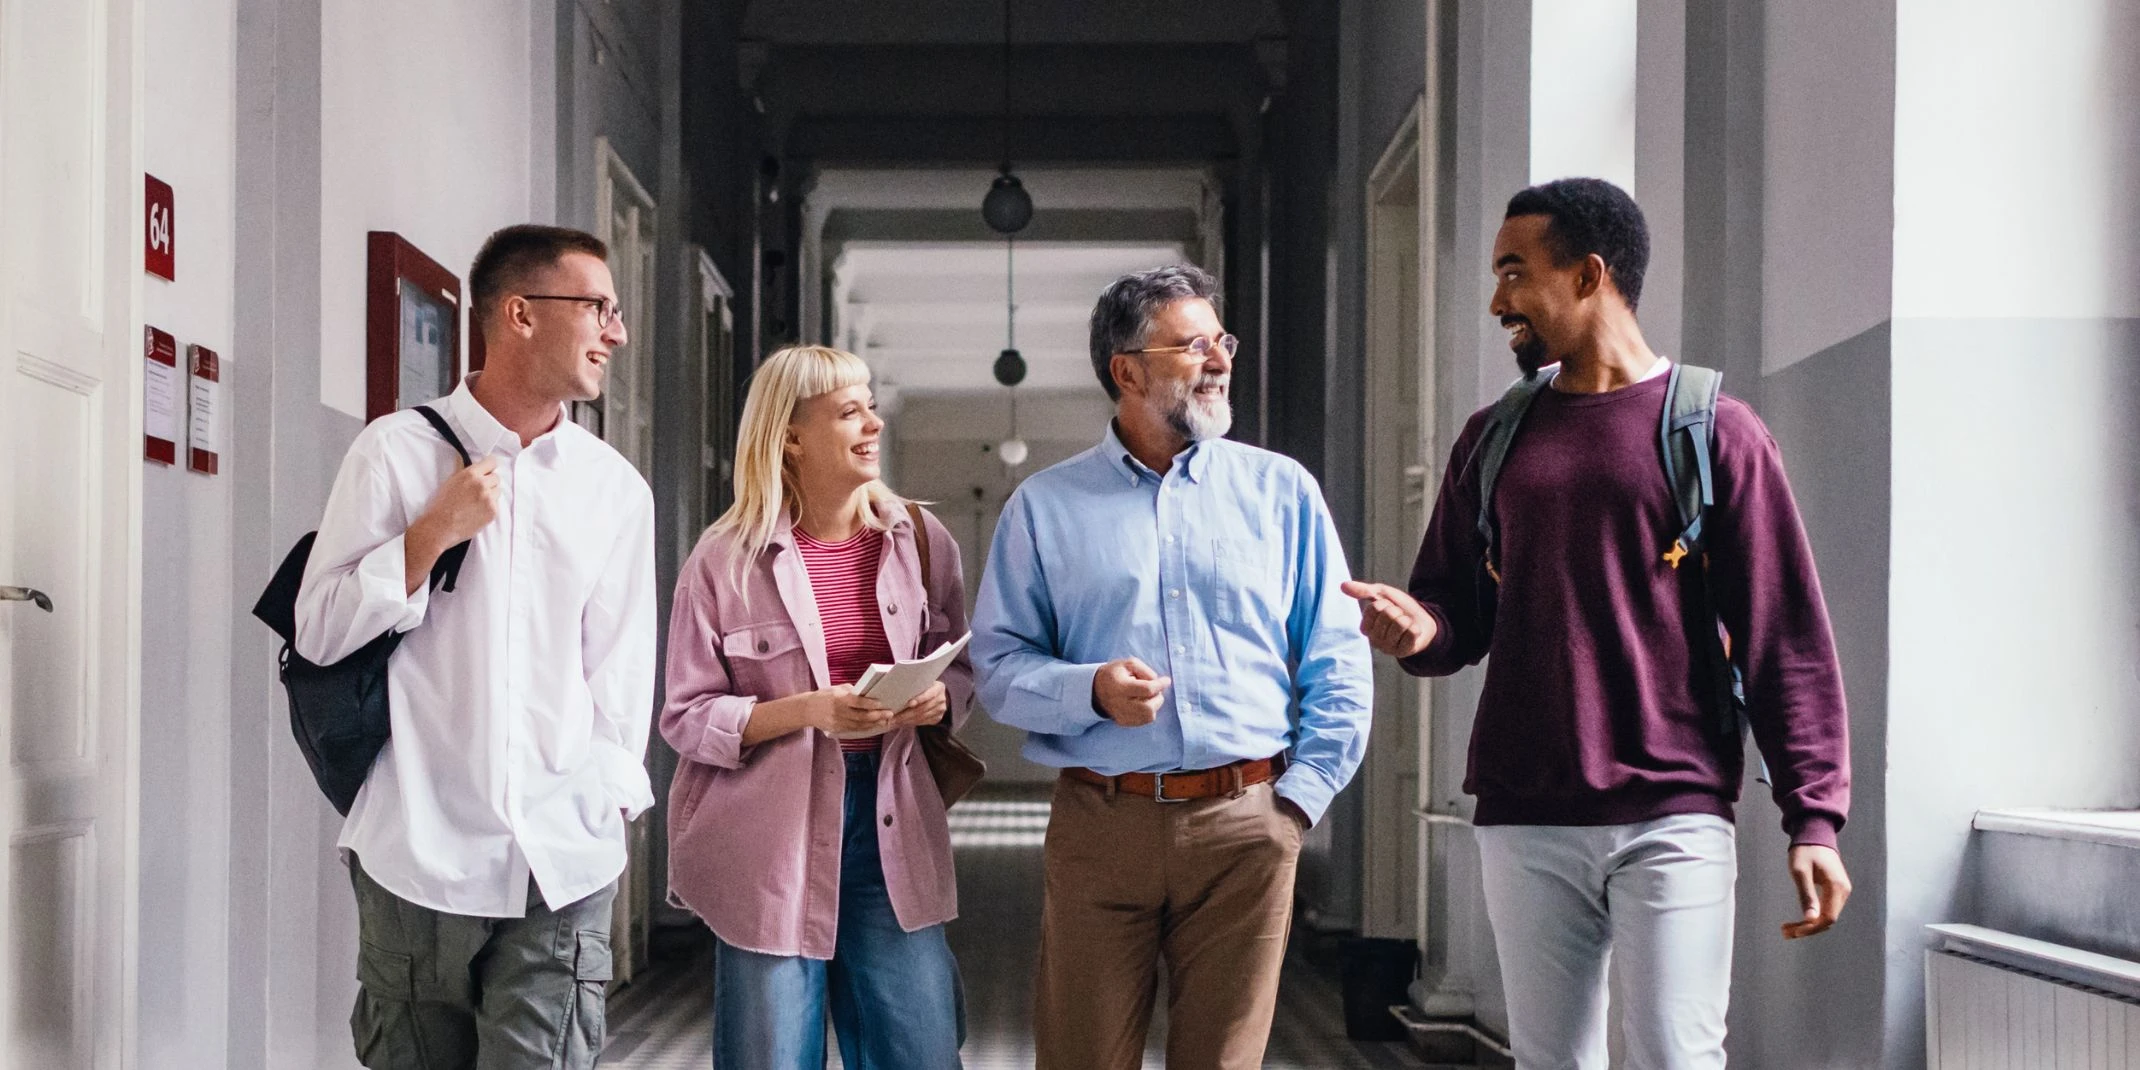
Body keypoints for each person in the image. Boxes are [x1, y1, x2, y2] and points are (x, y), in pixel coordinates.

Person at [1342, 177, 1852, 1069]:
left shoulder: (1717, 433)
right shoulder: (1491, 439)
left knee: (1675, 1056)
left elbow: (1786, 638)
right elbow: (1452, 607)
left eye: (1514, 273)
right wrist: (1418, 632)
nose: (1497, 301)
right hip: (1523, 811)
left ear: (1589, 275)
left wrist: (1815, 819)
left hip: (1674, 810)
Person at [970, 264, 1374, 1070]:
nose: (1219, 358)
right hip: (1100, 826)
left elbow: (1337, 653)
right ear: (1126, 370)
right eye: (1192, 345)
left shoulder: (1281, 492)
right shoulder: (1044, 508)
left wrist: (1297, 803)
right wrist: (1087, 690)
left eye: (1221, 340)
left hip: (1248, 825)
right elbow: (997, 665)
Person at [294, 224, 655, 1069]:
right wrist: (429, 537)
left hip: (560, 865)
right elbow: (318, 628)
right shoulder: (393, 451)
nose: (617, 330)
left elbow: (620, 676)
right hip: (416, 852)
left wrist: (605, 800)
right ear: (521, 314)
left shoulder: (613, 490)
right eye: (599, 306)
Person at [662, 344, 970, 1069]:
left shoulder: (922, 542)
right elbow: (685, 715)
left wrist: (935, 699)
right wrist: (807, 711)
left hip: (890, 827)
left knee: (920, 1050)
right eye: (849, 411)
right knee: (770, 1055)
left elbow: (963, 665)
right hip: (769, 837)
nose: (873, 423)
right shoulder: (722, 560)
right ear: (791, 436)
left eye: (871, 404)